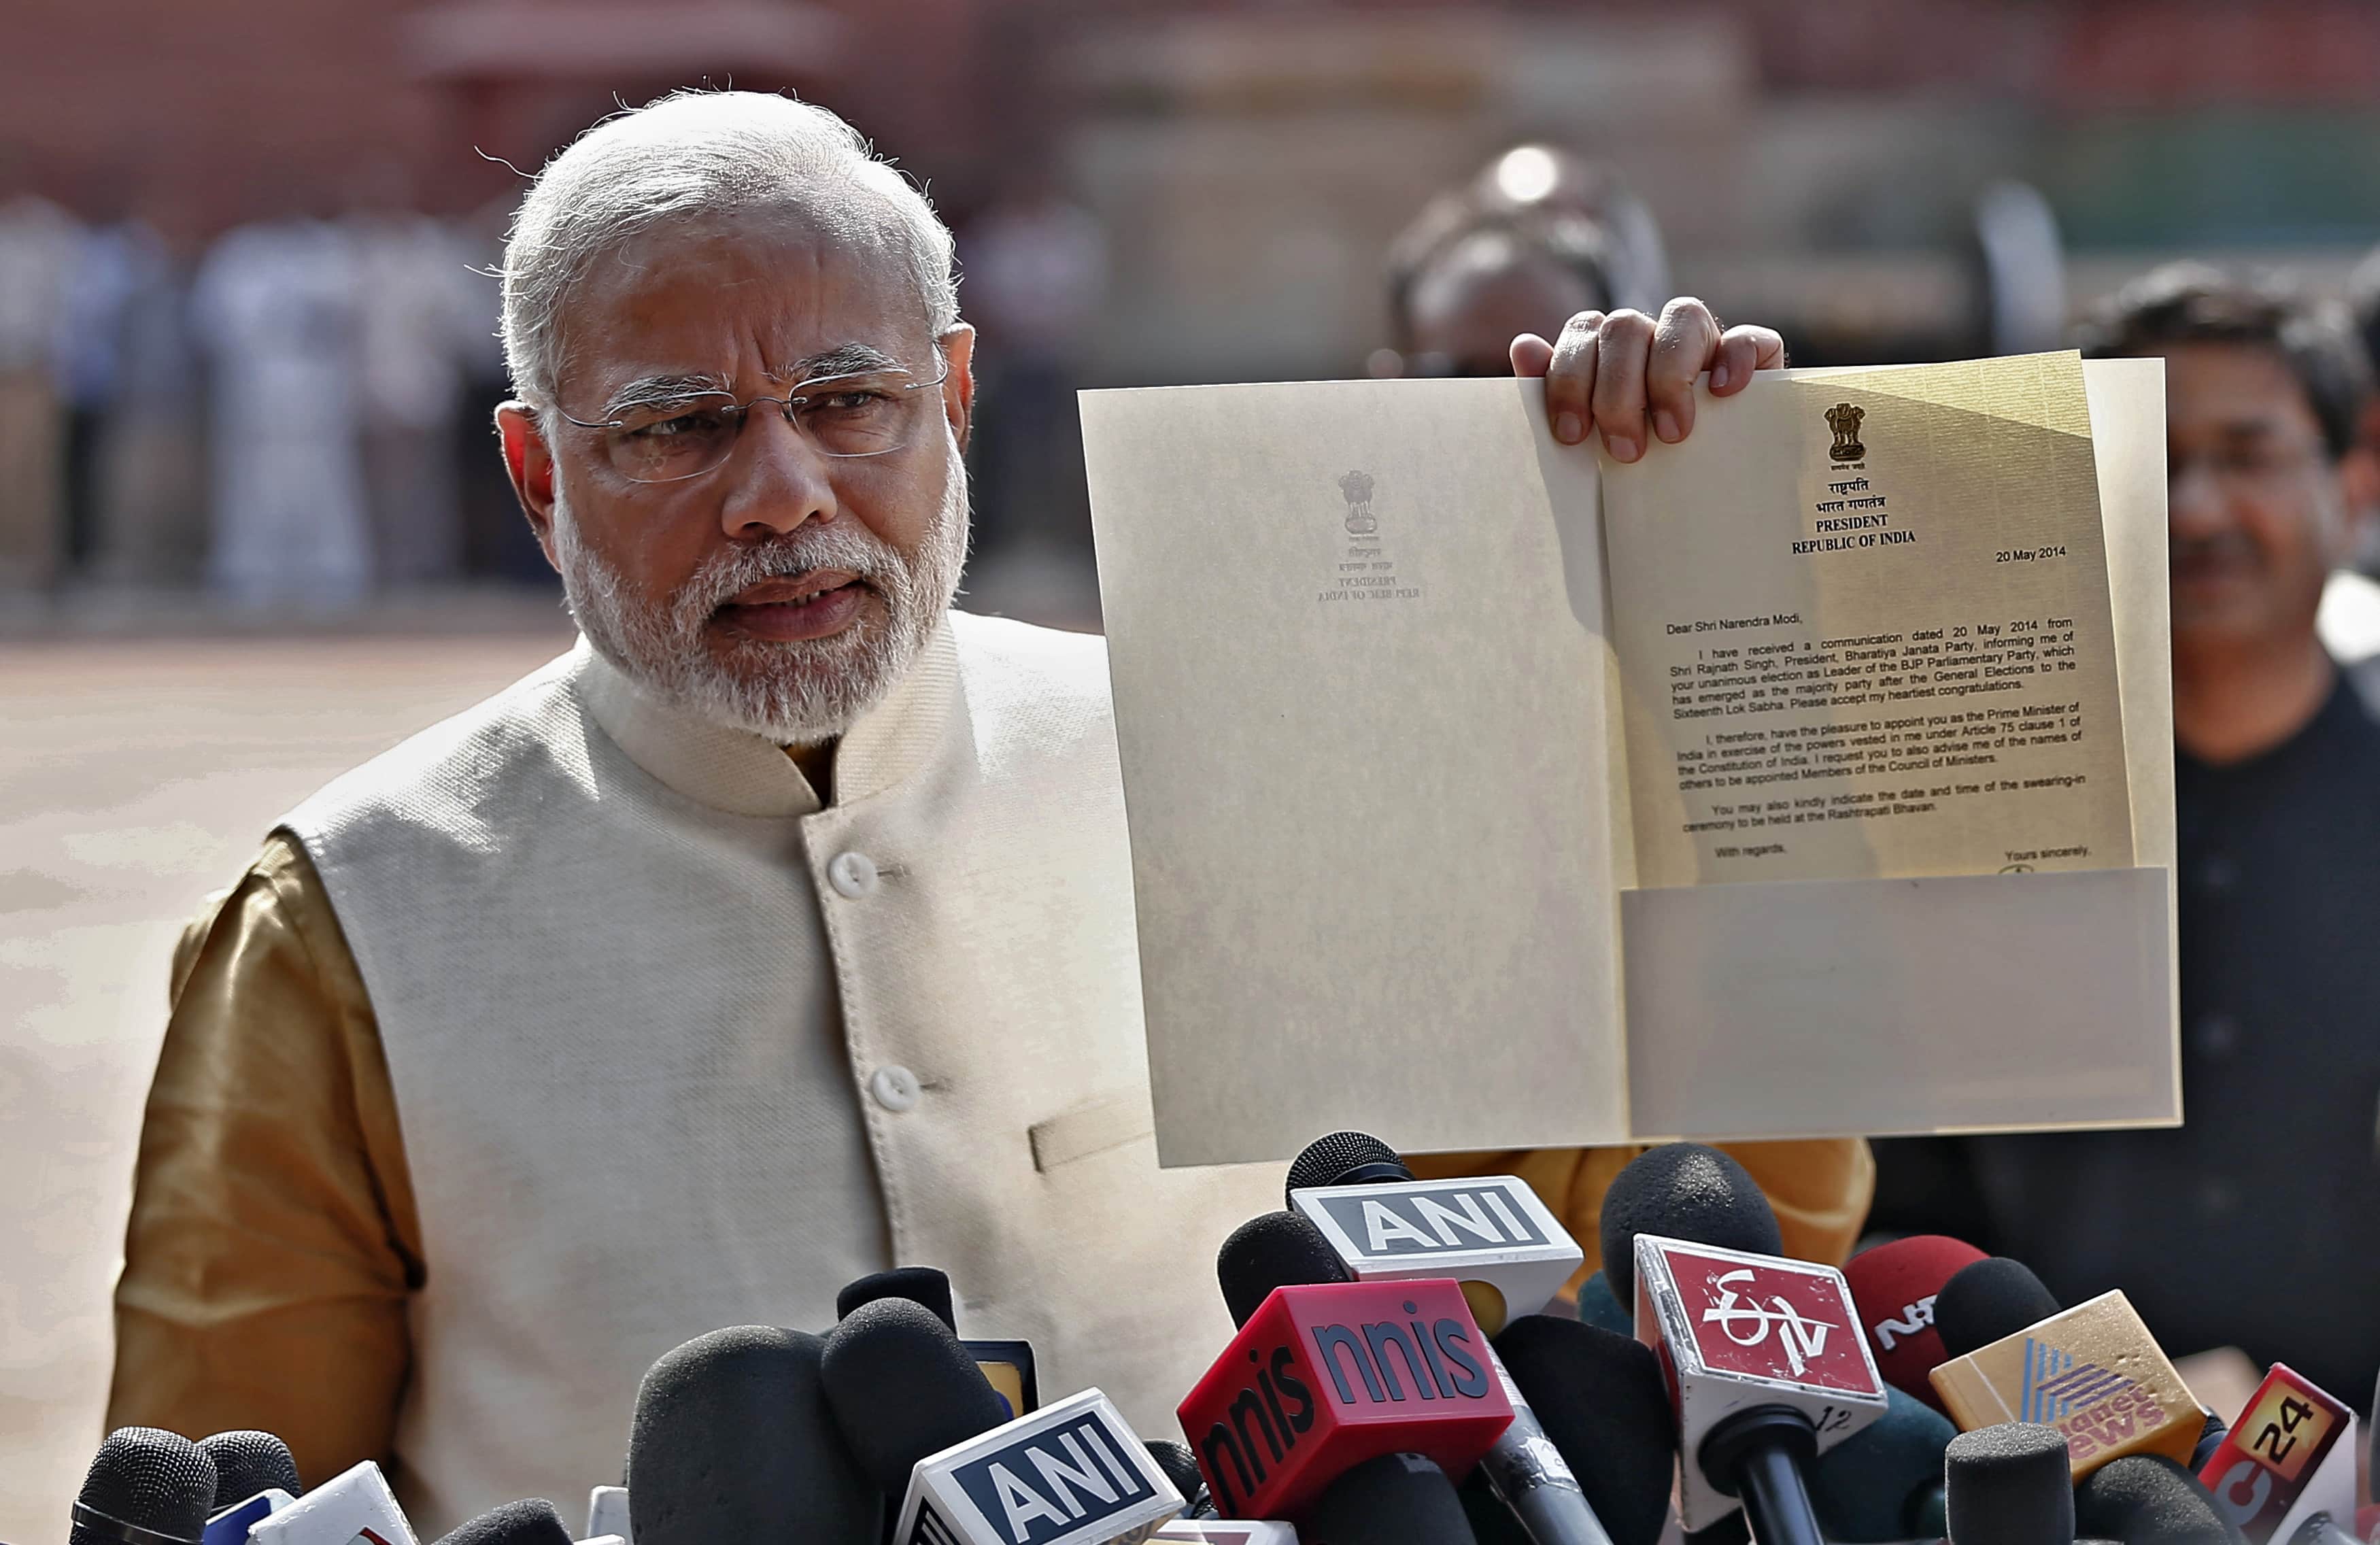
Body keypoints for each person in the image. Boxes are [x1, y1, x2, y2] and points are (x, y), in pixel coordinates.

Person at [107, 91, 1822, 1529]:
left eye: (848, 404)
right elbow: (236, 1490)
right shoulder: (350, 927)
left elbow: (1678, 1243)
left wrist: (1683, 603)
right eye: (679, 428)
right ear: (539, 475)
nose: (782, 495)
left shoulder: (1233, 758)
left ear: (958, 395)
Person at [1871, 264, 2380, 1404]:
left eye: (2246, 456)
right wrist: (2121, 1419)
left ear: (2355, 484)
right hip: (2041, 1481)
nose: (2193, 509)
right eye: (2146, 465)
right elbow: (1906, 1233)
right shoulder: (1971, 816)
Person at [1374, 147, 1873, 1284]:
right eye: (1463, 384)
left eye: (1567, 386)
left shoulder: (1724, 642)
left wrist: (1748, 509)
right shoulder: (1318, 679)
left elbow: (1799, 1203)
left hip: (1727, 1366)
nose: (1520, 425)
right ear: (1382, 383)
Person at [190, 201, 373, 609]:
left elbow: (348, 315)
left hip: (318, 393)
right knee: (255, 485)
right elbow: (213, 325)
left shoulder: (328, 252)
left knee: (323, 481)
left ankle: (330, 573)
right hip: (256, 394)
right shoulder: (239, 254)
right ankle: (252, 573)